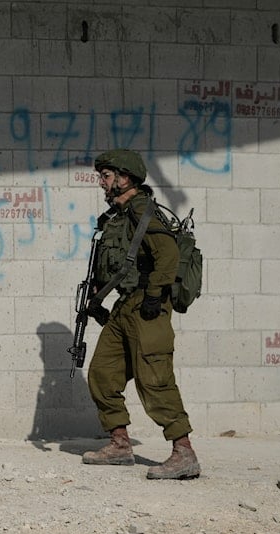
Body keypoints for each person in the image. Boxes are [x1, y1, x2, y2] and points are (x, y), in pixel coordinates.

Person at [81, 149, 200, 480]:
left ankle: (184, 453)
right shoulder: (116, 218)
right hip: (125, 307)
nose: (101, 183)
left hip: (148, 308)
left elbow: (168, 254)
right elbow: (116, 264)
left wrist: (153, 295)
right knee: (102, 373)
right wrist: (97, 298)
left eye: (106, 177)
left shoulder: (142, 211)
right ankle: (120, 445)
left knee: (155, 379)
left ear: (124, 178)